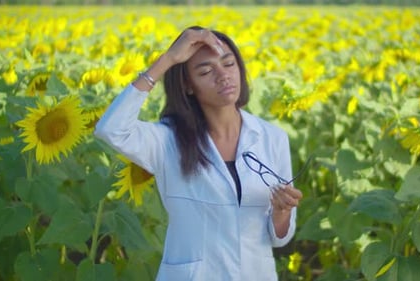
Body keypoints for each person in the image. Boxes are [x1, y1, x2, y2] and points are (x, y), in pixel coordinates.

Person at [94, 26, 303, 281]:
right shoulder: (168, 140)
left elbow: (278, 237)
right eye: (206, 71)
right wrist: (168, 59)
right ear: (188, 86)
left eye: (229, 64)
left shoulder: (273, 138)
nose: (223, 76)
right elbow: (111, 129)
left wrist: (282, 212)